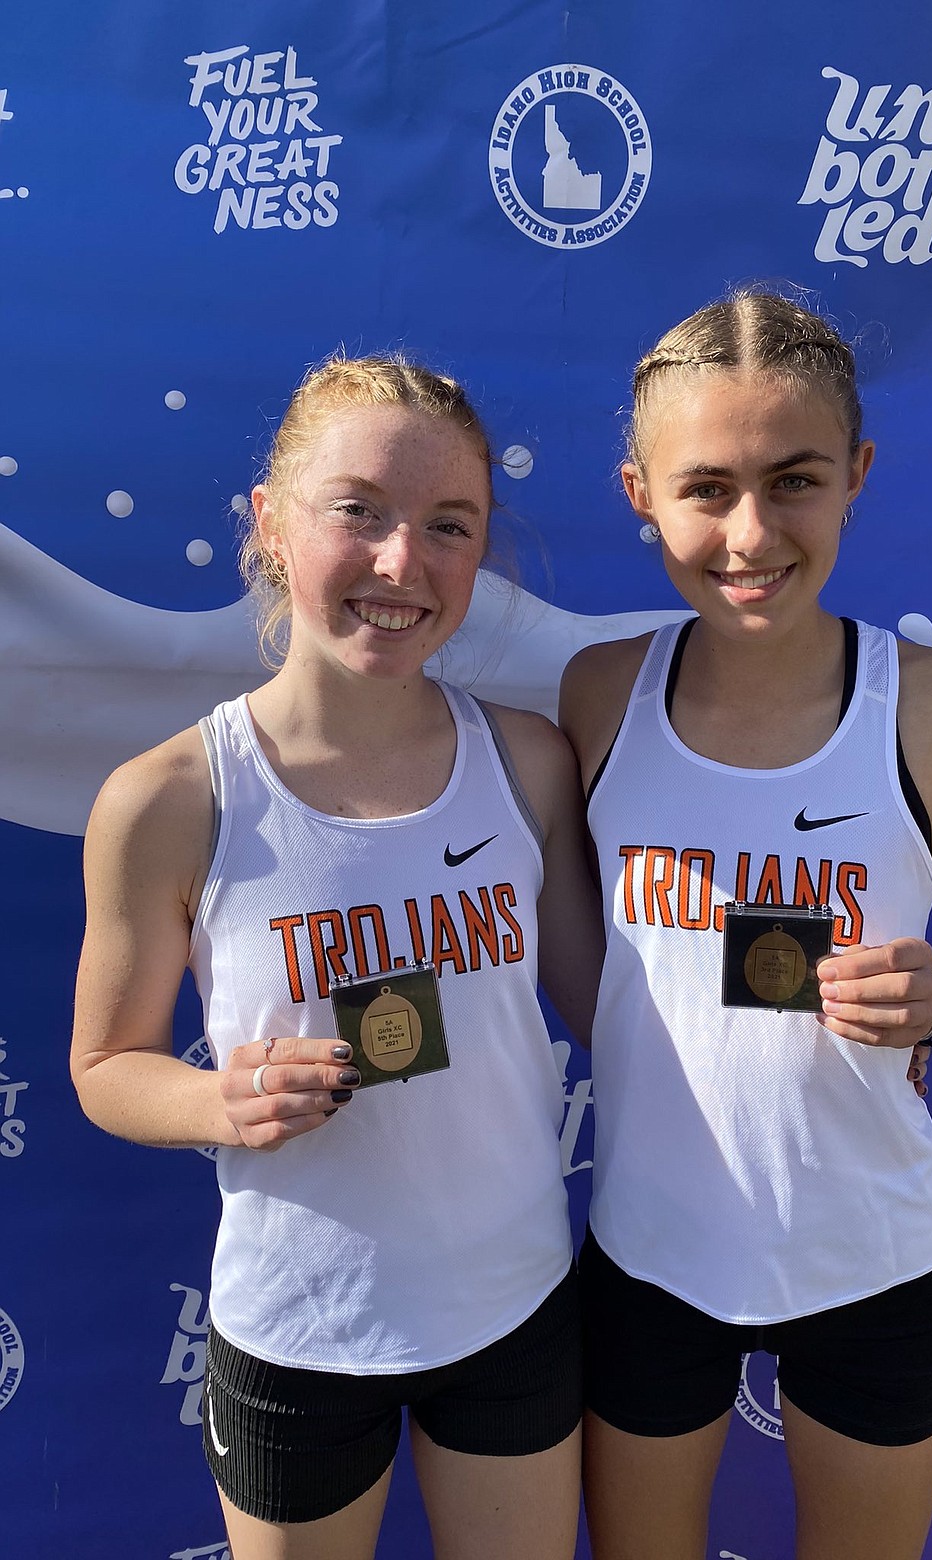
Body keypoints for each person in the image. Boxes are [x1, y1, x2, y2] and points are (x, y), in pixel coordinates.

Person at [70, 354, 602, 1560]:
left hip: (512, 1305)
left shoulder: (527, 764)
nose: (401, 564)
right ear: (269, 521)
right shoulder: (167, 797)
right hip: (298, 1329)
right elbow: (105, 1065)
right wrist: (221, 1099)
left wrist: (805, 1049)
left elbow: (615, 1012)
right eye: (357, 510)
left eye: (448, 526)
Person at [559, 291, 932, 1560]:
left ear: (858, 476)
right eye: (706, 488)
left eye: (794, 481)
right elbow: (599, 974)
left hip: (873, 1259)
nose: (750, 532)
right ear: (637, 493)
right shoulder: (600, 695)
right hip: (649, 1255)